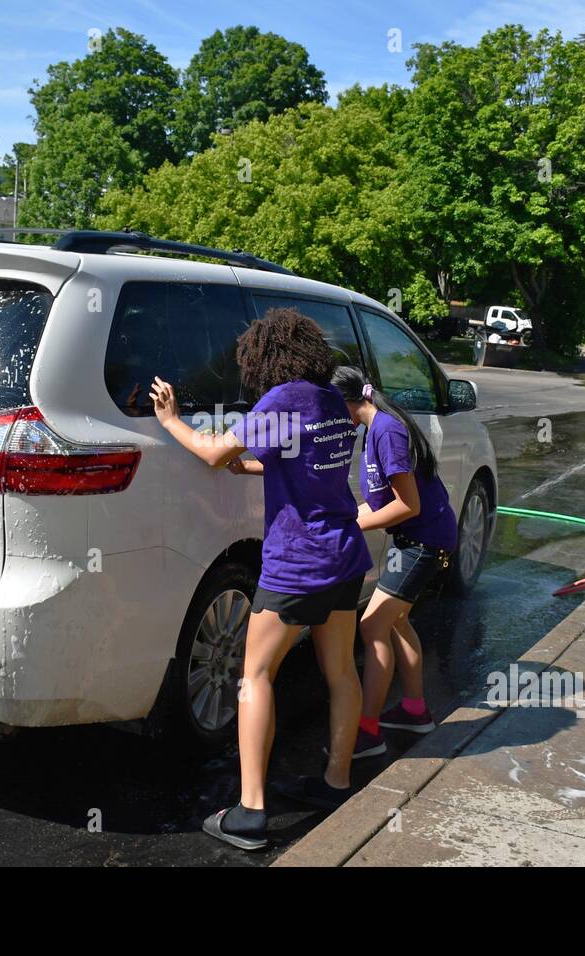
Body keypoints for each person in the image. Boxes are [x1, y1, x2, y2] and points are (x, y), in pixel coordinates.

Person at [149, 307, 371, 851]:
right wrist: (252, 465)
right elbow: (305, 462)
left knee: (255, 677)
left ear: (265, 357)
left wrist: (171, 419)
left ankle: (250, 812)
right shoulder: (329, 400)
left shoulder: (284, 399)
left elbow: (211, 452)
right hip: (345, 557)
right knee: (340, 671)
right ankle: (336, 781)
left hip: (297, 564)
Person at [323, 366, 456, 758]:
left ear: (343, 401)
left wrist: (353, 524)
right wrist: (346, 516)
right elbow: (381, 501)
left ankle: (367, 731)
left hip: (424, 543)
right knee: (396, 622)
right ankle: (415, 710)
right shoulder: (374, 427)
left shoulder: (387, 431)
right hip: (414, 540)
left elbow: (407, 504)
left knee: (372, 626)